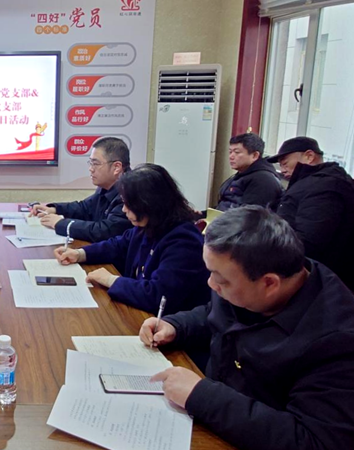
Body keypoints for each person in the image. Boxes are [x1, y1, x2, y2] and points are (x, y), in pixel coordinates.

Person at [141, 206, 354, 450]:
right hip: (212, 418)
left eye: (220, 279)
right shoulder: (254, 277)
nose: (211, 283)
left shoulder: (337, 342)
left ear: (269, 283)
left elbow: (313, 441)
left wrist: (203, 396)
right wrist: (176, 325)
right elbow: (214, 313)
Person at [55, 164, 210, 315]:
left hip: (166, 324)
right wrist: (80, 254)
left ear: (149, 204)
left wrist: (110, 280)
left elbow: (157, 295)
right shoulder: (149, 225)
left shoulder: (184, 241)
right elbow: (117, 245)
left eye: (128, 204)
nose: (124, 209)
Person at [267, 136, 354, 290]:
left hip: (315, 281)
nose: (283, 169)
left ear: (309, 156)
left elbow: (309, 242)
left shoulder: (326, 186)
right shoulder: (311, 183)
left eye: (285, 163)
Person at [30, 137, 132, 242]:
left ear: (116, 167)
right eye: (91, 163)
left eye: (96, 164)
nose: (91, 169)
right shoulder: (107, 186)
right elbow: (85, 208)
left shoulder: (130, 192)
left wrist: (60, 223)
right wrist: (55, 209)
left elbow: (104, 231)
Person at [215, 133, 282, 211]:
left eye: (237, 152)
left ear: (254, 155)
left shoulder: (263, 180)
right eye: (230, 152)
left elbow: (250, 214)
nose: (231, 156)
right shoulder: (243, 173)